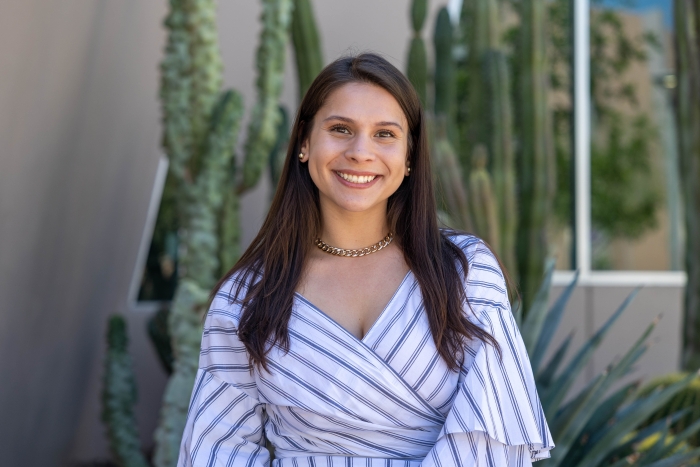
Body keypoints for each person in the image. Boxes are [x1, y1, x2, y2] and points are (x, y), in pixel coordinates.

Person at [177, 53, 554, 467]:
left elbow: (494, 434)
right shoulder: (247, 296)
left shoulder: (464, 271)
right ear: (304, 142)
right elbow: (216, 449)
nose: (360, 152)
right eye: (341, 129)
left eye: (385, 134)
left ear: (409, 157)